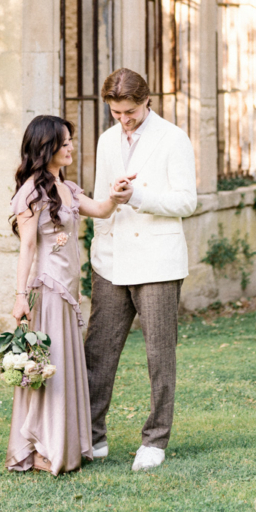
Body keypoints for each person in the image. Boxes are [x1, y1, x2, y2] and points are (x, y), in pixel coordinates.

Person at [85, 68, 198, 471]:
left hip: (157, 262)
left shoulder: (173, 138)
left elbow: (187, 201)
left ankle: (155, 440)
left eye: (129, 111)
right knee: (97, 352)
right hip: (111, 261)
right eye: (116, 113)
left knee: (159, 355)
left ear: (146, 101)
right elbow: (100, 199)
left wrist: (139, 196)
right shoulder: (106, 140)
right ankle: (92, 436)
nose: (123, 120)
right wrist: (100, 239)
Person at [7, 114, 133, 476]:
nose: (70, 148)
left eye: (70, 141)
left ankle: (64, 444)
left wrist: (117, 192)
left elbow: (102, 211)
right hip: (48, 290)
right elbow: (27, 247)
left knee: (63, 367)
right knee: (50, 369)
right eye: (63, 143)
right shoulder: (31, 191)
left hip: (69, 294)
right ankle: (42, 449)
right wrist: (20, 297)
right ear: (45, 147)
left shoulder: (69, 188)